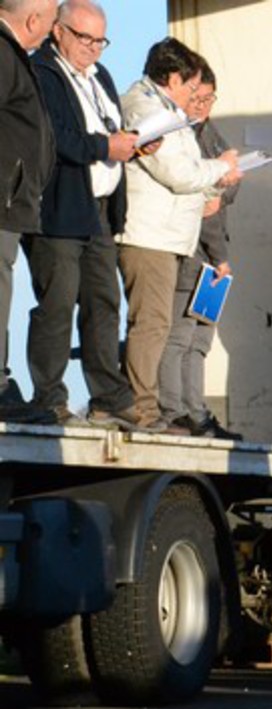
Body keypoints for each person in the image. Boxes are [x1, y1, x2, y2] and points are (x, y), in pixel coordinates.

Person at [116, 37, 239, 432]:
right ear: (173, 79)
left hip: (168, 237)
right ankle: (146, 410)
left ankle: (153, 408)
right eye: (192, 88)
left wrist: (215, 184)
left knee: (162, 328)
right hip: (149, 236)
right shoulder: (147, 109)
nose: (195, 99)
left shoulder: (168, 111)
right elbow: (178, 172)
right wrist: (220, 168)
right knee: (153, 326)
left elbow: (189, 176)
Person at [24, 0, 135, 425]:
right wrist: (106, 146)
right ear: (59, 31)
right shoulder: (41, 72)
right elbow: (55, 137)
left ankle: (108, 397)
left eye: (100, 41)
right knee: (57, 303)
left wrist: (134, 142)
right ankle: (48, 398)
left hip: (100, 210)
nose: (93, 47)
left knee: (103, 302)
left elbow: (108, 128)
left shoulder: (100, 75)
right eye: (84, 37)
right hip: (59, 208)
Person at [156, 57, 239, 439]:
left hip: (211, 261)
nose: (203, 106)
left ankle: (196, 412)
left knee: (199, 340)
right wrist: (220, 256)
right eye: (198, 97)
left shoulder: (211, 134)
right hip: (194, 255)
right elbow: (207, 207)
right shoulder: (184, 138)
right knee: (179, 337)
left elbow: (223, 195)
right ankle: (175, 411)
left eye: (210, 98)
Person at [0, 0, 57, 422]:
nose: (53, 32)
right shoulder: (3, 54)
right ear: (34, 20)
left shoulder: (12, 54)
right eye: (53, 22)